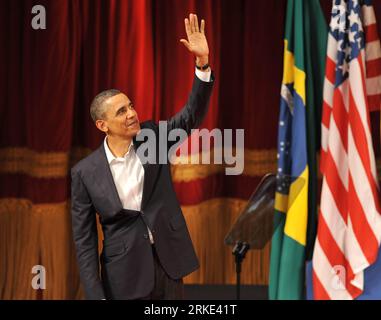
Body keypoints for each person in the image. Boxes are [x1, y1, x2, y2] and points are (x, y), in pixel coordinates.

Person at [71, 13, 214, 300]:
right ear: (102, 125)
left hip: (169, 263)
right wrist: (95, 294)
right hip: (124, 275)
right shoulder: (85, 172)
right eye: (121, 112)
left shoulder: (152, 136)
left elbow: (190, 117)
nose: (132, 114)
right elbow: (84, 240)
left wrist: (202, 64)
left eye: (131, 106)